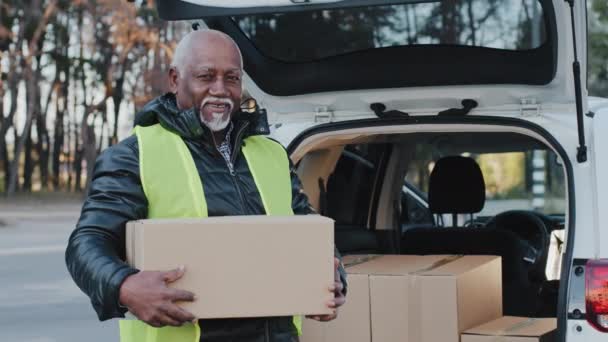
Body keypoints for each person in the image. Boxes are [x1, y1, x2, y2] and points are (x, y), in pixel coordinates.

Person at [65, 29, 346, 342]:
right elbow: (86, 244)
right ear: (175, 80)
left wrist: (332, 277)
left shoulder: (272, 154)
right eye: (206, 76)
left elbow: (307, 230)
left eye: (231, 78)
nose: (220, 89)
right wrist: (124, 286)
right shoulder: (135, 155)